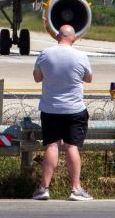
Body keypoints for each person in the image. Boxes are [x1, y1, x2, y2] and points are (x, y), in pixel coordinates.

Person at [32, 24, 94, 201]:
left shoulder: (45, 54)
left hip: (50, 108)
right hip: (74, 109)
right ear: (73, 38)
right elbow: (88, 78)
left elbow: (37, 78)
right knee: (71, 147)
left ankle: (43, 188)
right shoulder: (81, 56)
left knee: (52, 145)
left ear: (57, 36)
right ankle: (76, 189)